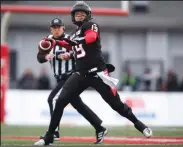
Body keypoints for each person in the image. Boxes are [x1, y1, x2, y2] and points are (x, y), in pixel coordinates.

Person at [34, 2, 152, 146]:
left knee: (116, 105)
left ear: (88, 15)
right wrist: (54, 42)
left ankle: (140, 125)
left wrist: (72, 41)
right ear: (73, 17)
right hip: (80, 74)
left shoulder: (90, 26)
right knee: (60, 101)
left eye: (82, 14)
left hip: (98, 73)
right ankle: (49, 136)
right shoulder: (75, 34)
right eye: (77, 14)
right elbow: (69, 44)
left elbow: (90, 38)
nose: (79, 16)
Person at [37, 18, 108, 142]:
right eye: (54, 27)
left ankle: (54, 132)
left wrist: (68, 55)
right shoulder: (48, 40)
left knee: (53, 99)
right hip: (60, 79)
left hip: (71, 76)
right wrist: (45, 56)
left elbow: (81, 54)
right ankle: (99, 127)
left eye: (59, 27)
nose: (56, 29)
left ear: (63, 28)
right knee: (78, 105)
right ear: (50, 29)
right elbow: (39, 57)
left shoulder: (71, 39)